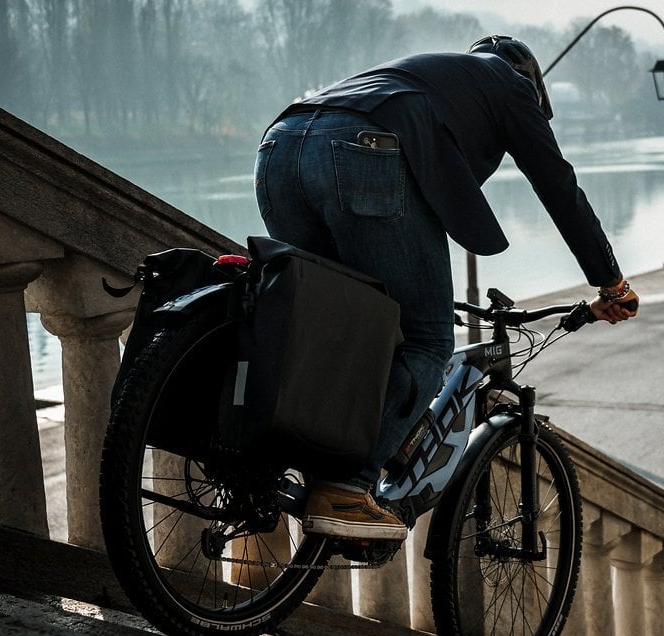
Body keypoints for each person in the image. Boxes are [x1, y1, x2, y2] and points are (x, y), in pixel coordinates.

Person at [254, 35, 639, 542]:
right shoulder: (511, 84)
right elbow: (558, 187)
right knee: (426, 338)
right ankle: (346, 486)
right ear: (533, 81)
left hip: (279, 147)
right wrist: (611, 280)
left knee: (332, 320)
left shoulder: (428, 73)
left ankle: (272, 459)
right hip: (362, 153)